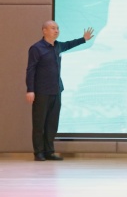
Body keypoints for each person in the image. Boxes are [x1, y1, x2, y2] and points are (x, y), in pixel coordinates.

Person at [25, 21, 94, 161]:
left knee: (52, 123)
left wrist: (84, 39)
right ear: (44, 30)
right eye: (53, 28)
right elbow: (30, 70)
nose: (56, 30)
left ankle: (49, 151)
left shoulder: (57, 46)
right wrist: (30, 90)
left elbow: (69, 44)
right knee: (39, 123)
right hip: (41, 91)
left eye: (57, 28)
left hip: (56, 90)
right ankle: (39, 152)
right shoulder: (36, 48)